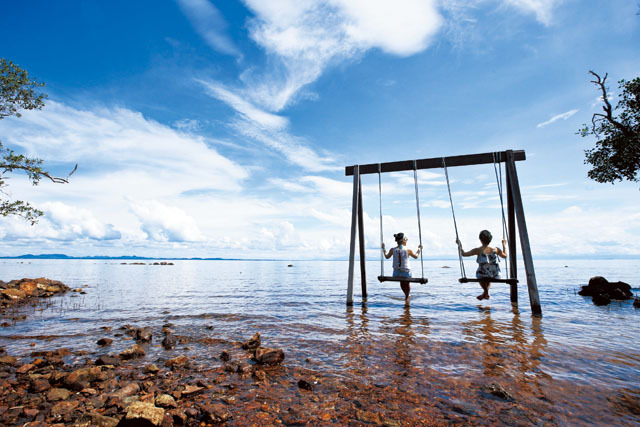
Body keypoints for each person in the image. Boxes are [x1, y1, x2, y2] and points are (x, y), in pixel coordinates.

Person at [456, 230, 507, 300]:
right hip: (495, 274)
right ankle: (486, 293)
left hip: (482, 274)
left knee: (480, 275)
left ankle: (485, 292)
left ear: (480, 240)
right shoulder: (496, 249)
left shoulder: (478, 250)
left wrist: (459, 245)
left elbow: (464, 254)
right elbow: (505, 256)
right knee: (488, 274)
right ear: (490, 240)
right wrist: (504, 245)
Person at [382, 232, 422, 303]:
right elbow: (416, 256)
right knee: (407, 282)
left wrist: (384, 249)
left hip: (396, 274)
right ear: (403, 240)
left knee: (402, 282)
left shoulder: (392, 250)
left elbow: (386, 256)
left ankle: (406, 296)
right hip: (406, 273)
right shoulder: (408, 250)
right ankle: (407, 296)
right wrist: (419, 249)